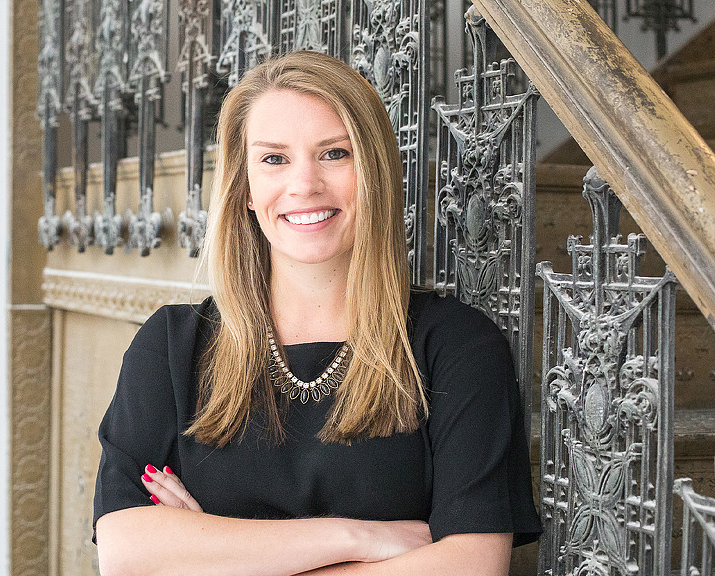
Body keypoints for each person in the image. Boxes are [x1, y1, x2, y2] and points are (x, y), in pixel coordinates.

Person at [93, 50, 541, 575]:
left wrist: (215, 554)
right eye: (274, 159)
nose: (304, 184)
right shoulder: (172, 346)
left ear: (373, 170)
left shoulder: (457, 347)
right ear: (244, 189)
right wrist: (353, 537)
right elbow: (125, 551)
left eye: (334, 153)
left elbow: (470, 568)